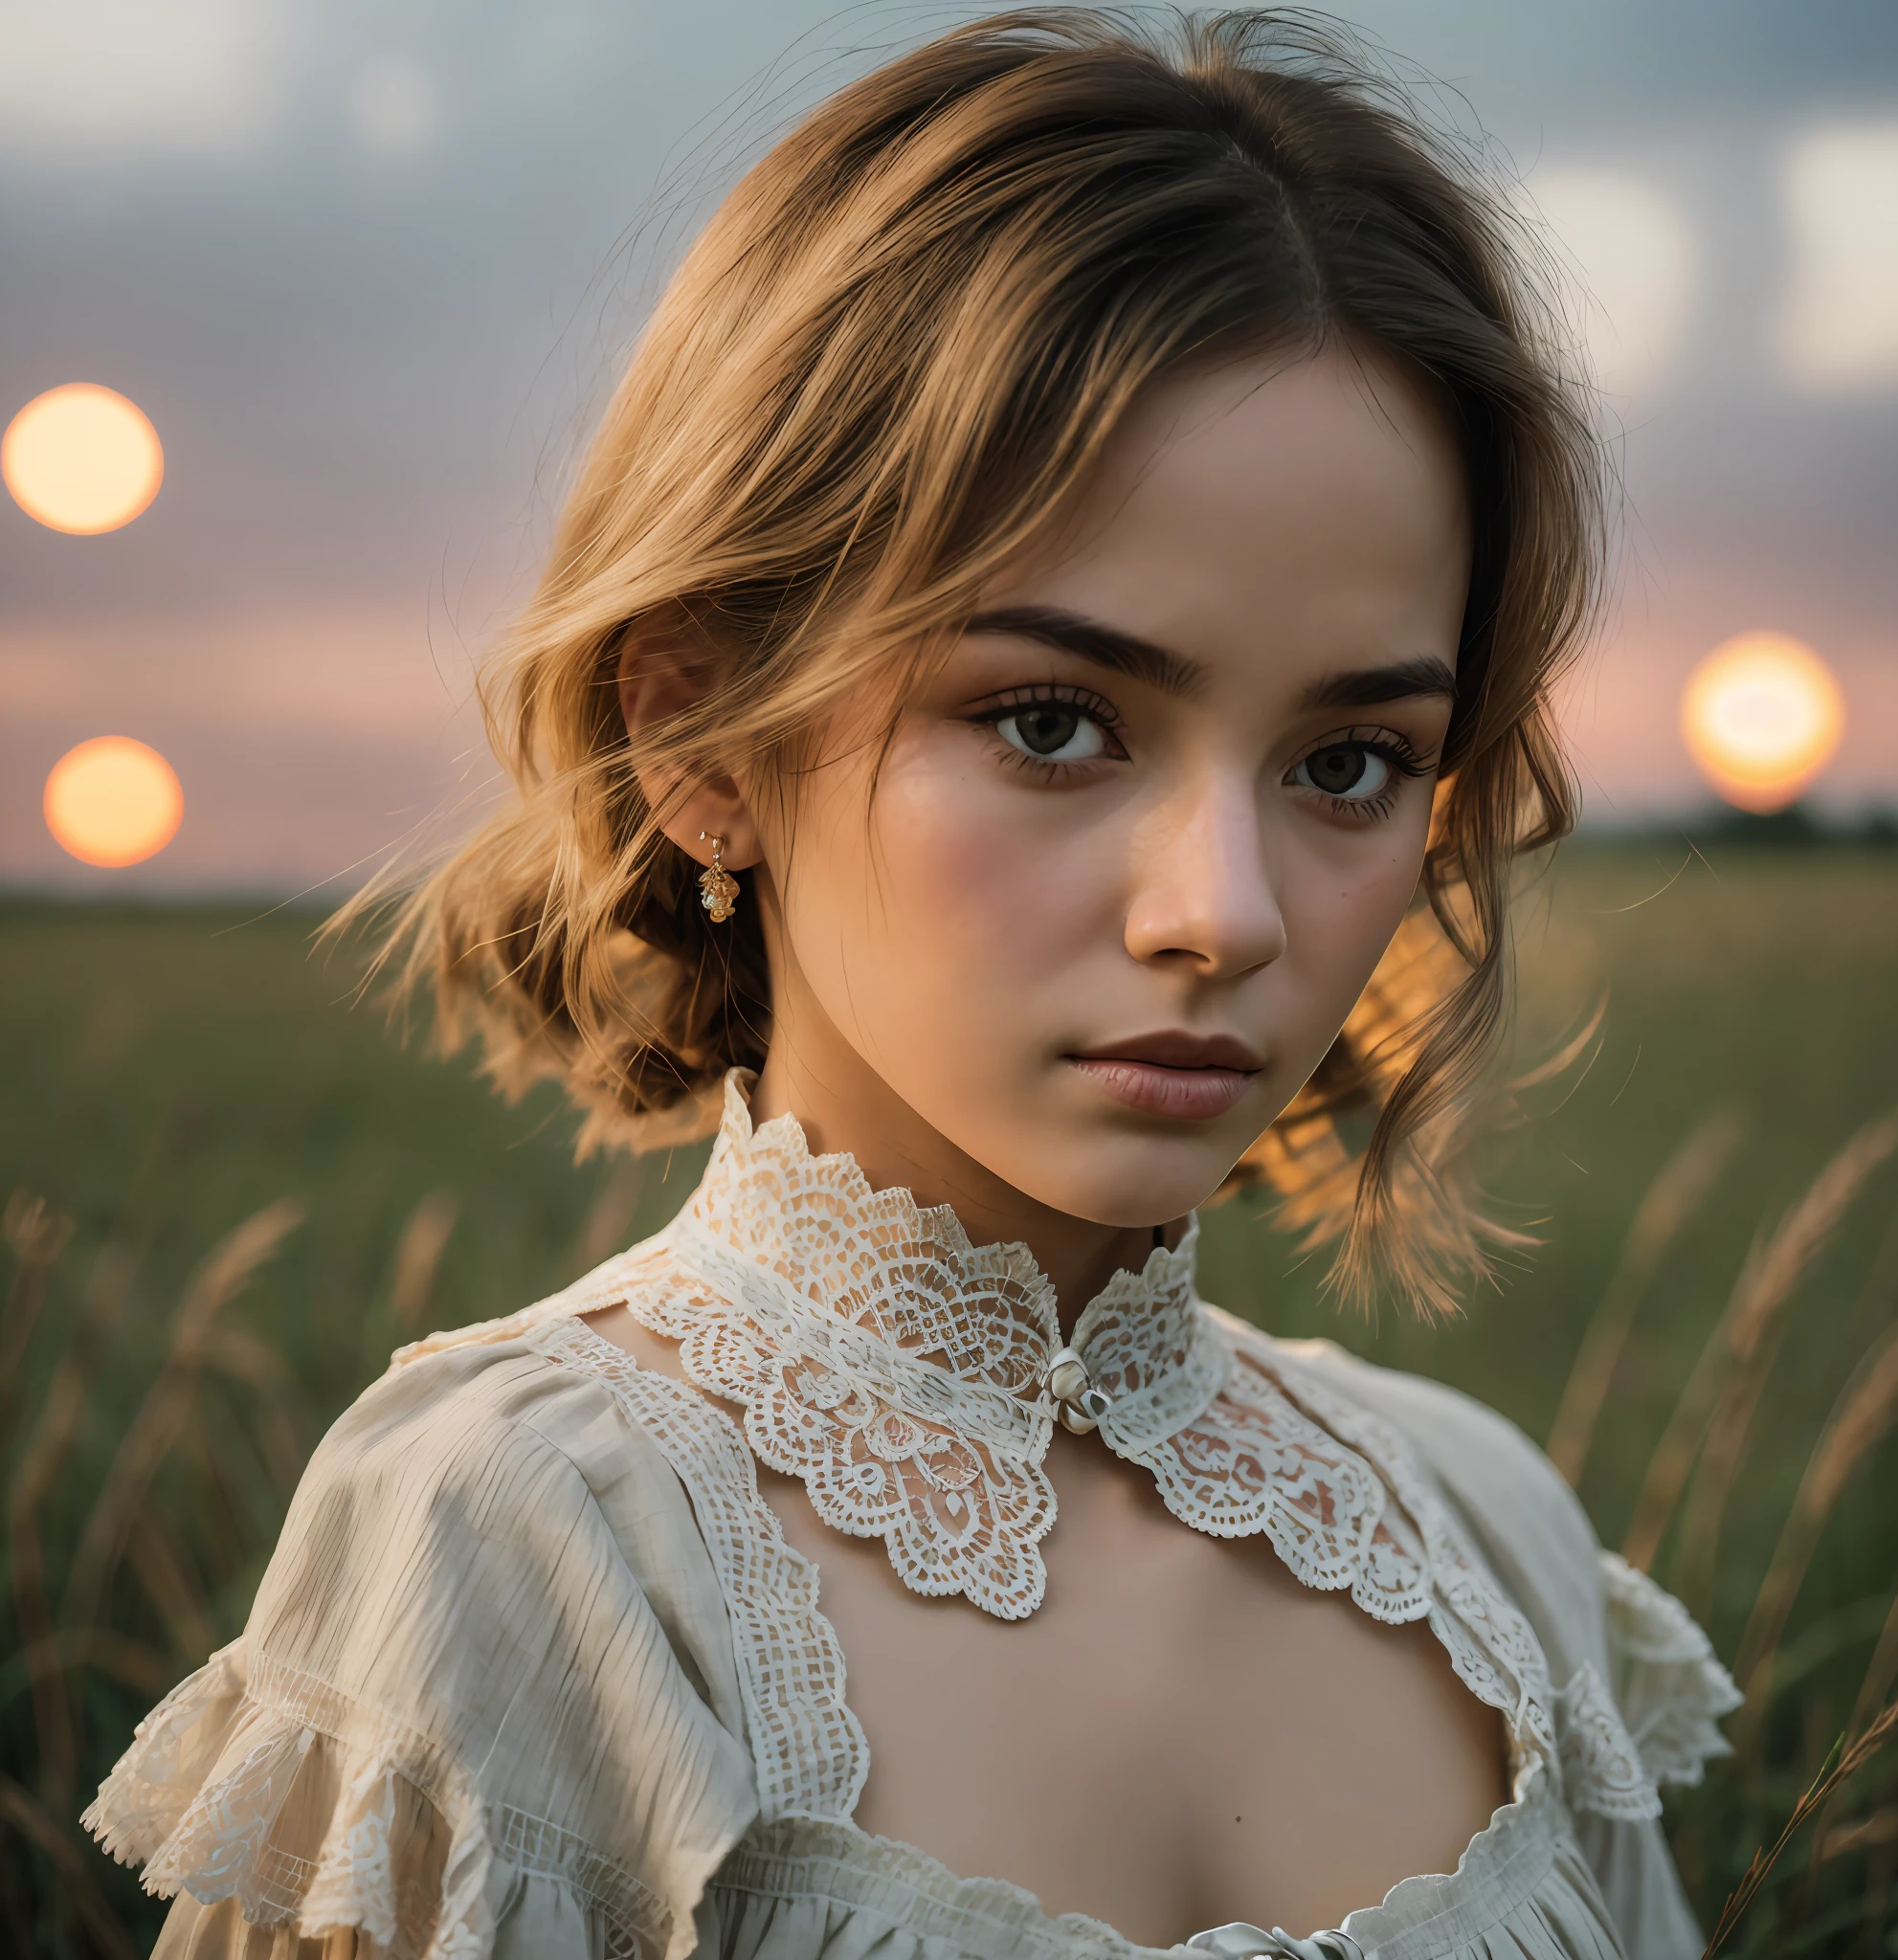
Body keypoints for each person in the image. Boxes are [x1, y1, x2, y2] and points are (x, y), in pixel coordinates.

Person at [84, 12, 1740, 1957]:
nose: (1224, 913)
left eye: (1347, 761)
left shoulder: (1485, 1539)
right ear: (700, 730)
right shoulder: (531, 1542)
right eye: (1052, 722)